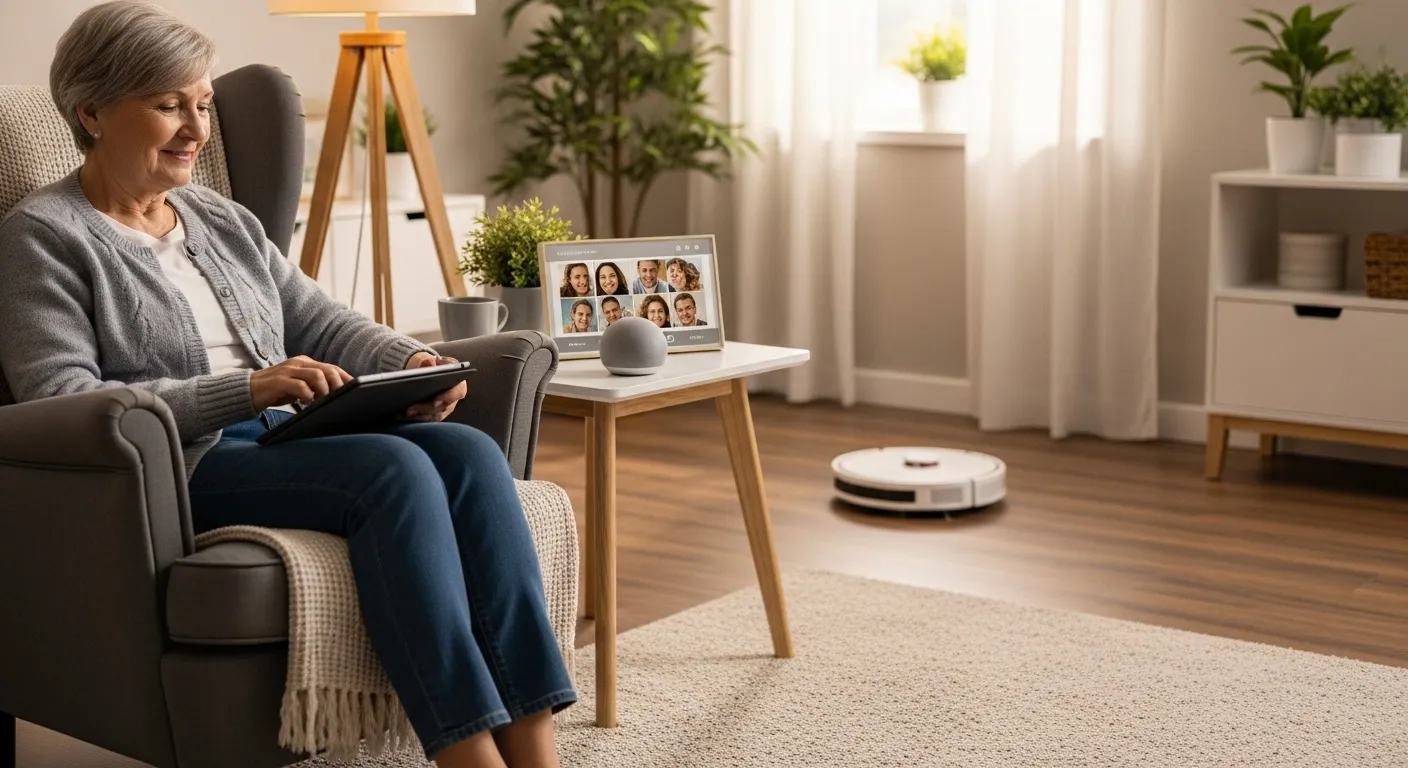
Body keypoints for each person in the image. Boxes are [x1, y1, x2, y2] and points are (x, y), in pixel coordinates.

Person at [0, 4, 575, 767]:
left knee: (465, 451)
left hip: (282, 437)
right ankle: (467, 756)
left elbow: (321, 319)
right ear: (92, 111)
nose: (197, 129)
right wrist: (245, 391)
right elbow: (62, 403)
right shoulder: (42, 236)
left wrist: (408, 361)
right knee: (392, 470)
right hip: (176, 468)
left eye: (201, 104)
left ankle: (535, 749)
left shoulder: (219, 219)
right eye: (169, 104)